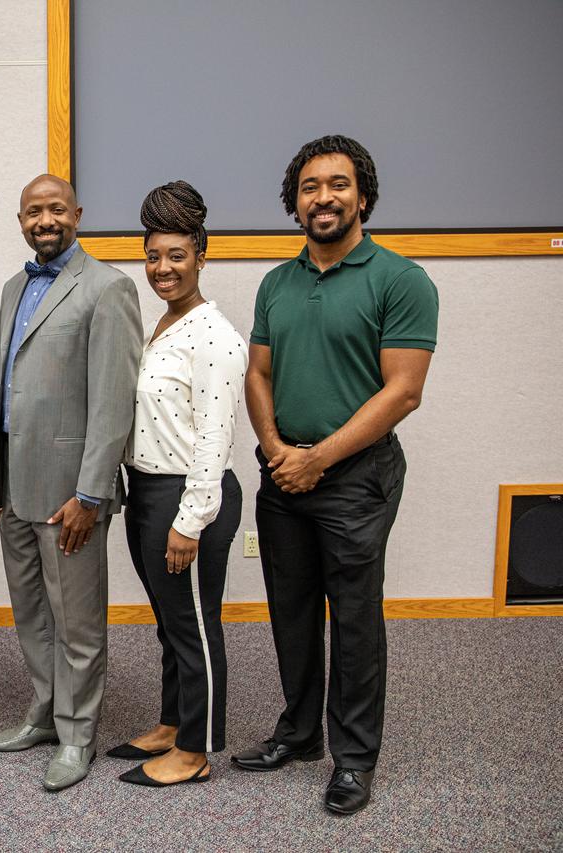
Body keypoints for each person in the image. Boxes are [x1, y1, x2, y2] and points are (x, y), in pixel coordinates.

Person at [231, 135, 438, 816]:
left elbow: (402, 391)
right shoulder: (277, 283)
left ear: (364, 197)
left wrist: (318, 458)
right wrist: (274, 448)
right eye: (311, 186)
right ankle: (297, 733)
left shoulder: (401, 280)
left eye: (338, 184)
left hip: (356, 478)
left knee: (353, 619)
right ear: (295, 203)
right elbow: (257, 372)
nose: (324, 197)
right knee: (291, 612)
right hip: (282, 472)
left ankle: (353, 758)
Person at [0, 174, 142, 791]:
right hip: (16, 486)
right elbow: (9, 391)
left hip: (73, 492)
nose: (43, 221)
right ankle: (45, 713)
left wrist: (92, 494)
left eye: (54, 209)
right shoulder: (12, 287)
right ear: (21, 221)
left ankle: (78, 735)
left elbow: (112, 403)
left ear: (77, 213)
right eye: (32, 212)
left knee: (77, 621)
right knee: (31, 613)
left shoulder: (108, 287)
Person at [108, 181, 246, 788]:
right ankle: (171, 722)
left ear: (201, 257)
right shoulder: (164, 323)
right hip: (147, 490)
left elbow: (215, 439)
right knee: (170, 621)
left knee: (193, 623)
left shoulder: (215, 336)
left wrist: (190, 521)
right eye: (154, 256)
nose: (162, 268)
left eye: (177, 256)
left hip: (188, 495)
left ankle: (194, 750)